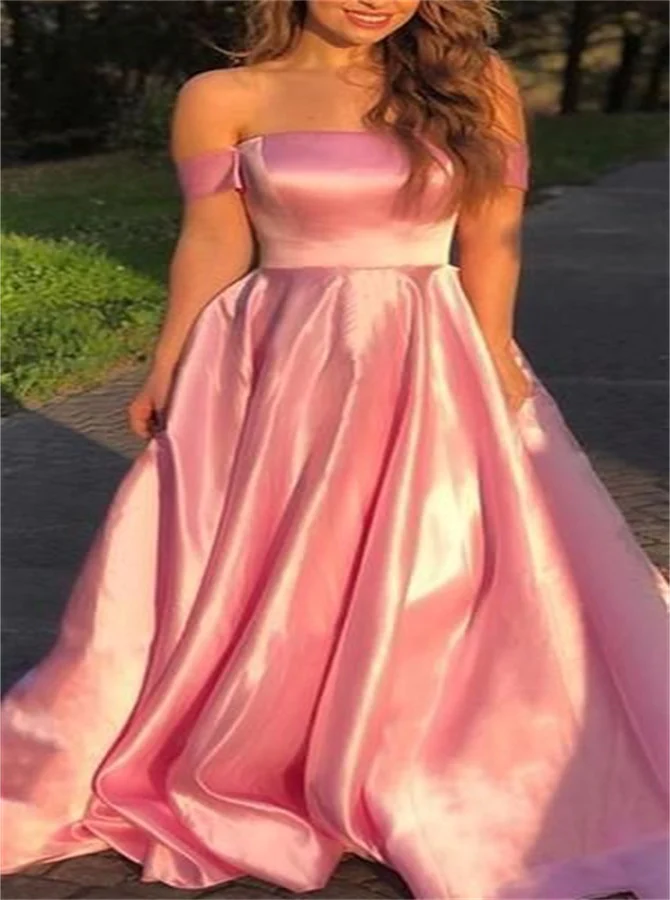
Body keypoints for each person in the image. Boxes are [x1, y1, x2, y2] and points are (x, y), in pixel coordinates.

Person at [1, 2, 668, 898]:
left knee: (435, 559)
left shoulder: (473, 82)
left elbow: (492, 235)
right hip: (277, 359)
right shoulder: (222, 95)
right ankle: (270, 744)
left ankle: (407, 752)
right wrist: (170, 360)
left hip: (429, 351)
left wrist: (492, 355)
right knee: (283, 563)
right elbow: (214, 237)